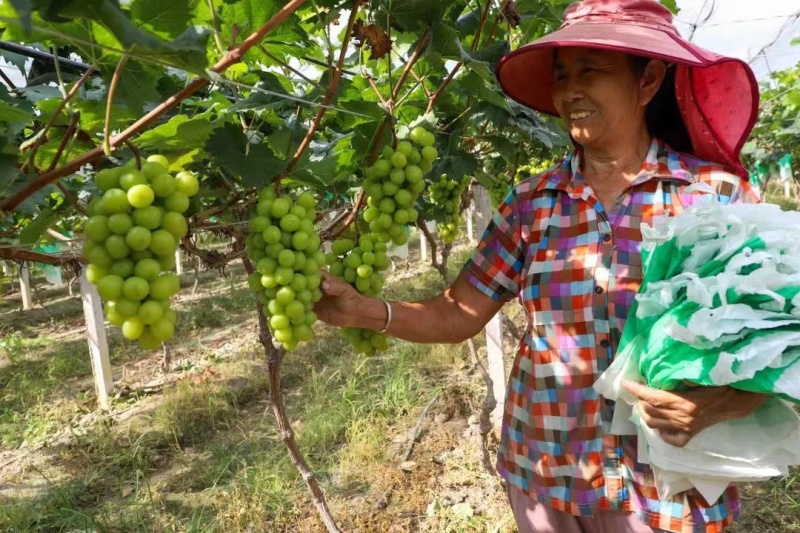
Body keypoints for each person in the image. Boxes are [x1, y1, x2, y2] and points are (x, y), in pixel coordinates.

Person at [315, 1, 768, 531]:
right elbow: (458, 313)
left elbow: (779, 340)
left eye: (590, 71)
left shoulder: (717, 198)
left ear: (647, 80)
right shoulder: (533, 203)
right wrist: (363, 311)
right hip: (546, 473)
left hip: (668, 485)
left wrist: (727, 401)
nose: (570, 91)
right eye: (561, 76)